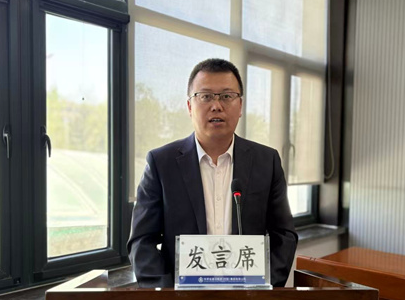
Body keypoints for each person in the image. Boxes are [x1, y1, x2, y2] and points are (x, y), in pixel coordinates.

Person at [128, 58, 298, 288]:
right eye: (205, 96)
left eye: (227, 96)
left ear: (240, 106)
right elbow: (141, 241)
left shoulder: (267, 161)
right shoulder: (161, 163)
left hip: (248, 297)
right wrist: (169, 297)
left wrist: (262, 288)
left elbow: (284, 235)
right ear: (190, 106)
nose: (216, 106)